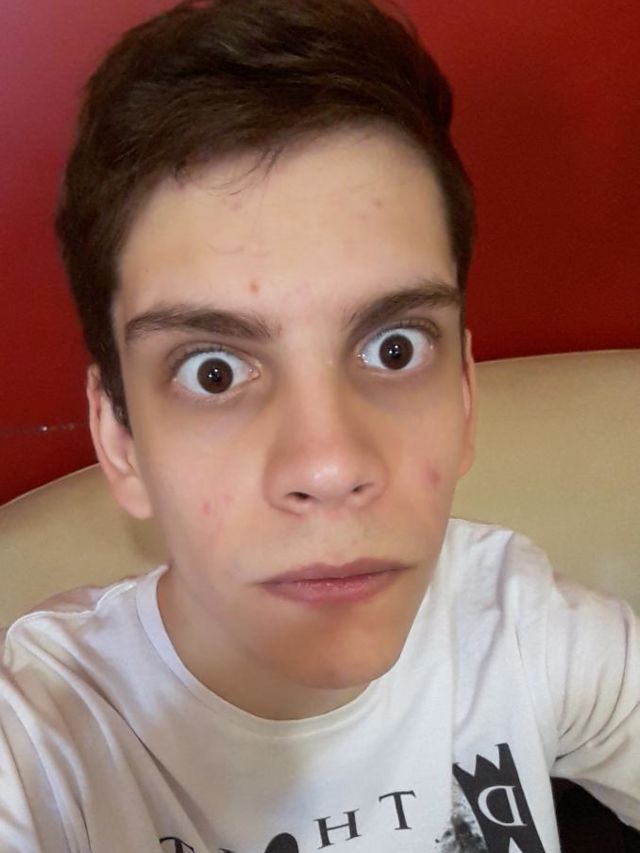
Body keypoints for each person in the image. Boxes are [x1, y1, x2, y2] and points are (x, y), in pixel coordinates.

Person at [1, 0, 638, 850]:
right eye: (214, 371)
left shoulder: (519, 625)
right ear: (119, 438)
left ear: (464, 395)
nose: (331, 464)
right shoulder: (45, 741)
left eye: (394, 347)